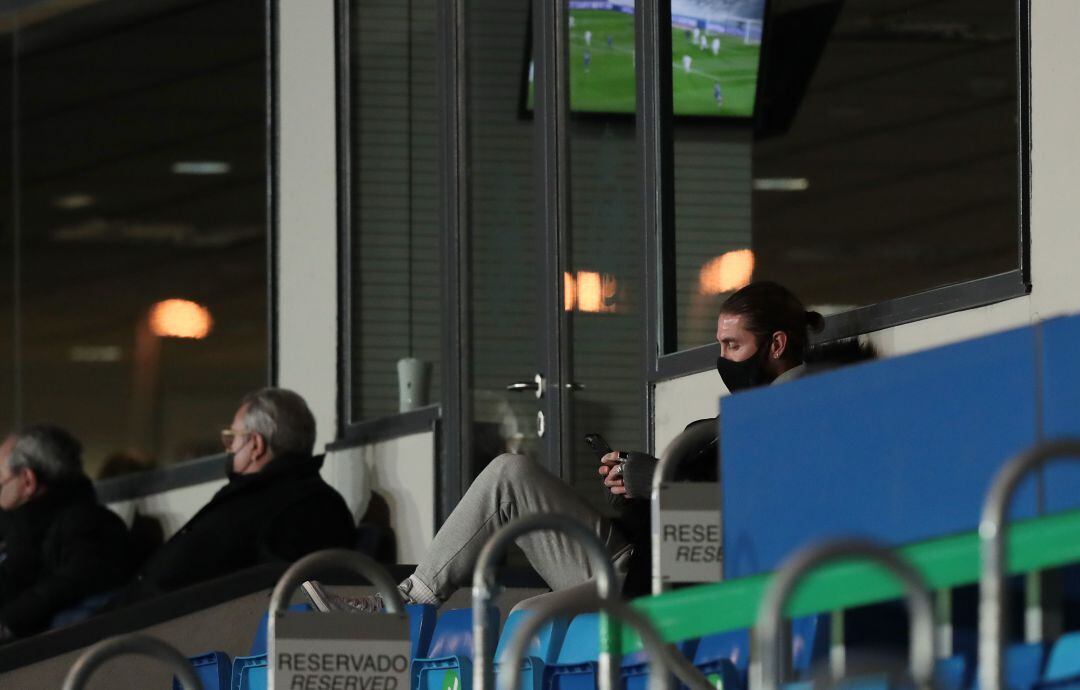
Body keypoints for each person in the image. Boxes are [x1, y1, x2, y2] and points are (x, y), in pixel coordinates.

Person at [332, 282, 826, 611]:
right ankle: (404, 602)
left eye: (732, 346)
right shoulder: (729, 420)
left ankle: (398, 609)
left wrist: (657, 483)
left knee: (528, 617)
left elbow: (757, 518)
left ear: (776, 345)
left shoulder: (798, 417)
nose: (721, 359)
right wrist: (635, 487)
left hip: (668, 581)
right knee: (511, 472)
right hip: (635, 554)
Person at [112, 388, 356, 604]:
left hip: (177, 633)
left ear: (255, 445)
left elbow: (273, 594)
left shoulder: (308, 507)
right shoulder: (262, 494)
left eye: (233, 438)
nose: (228, 449)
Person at [0, 426, 133, 640]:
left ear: (27, 480)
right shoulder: (19, 526)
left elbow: (73, 582)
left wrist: (8, 621)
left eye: (1, 482)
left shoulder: (90, 525)